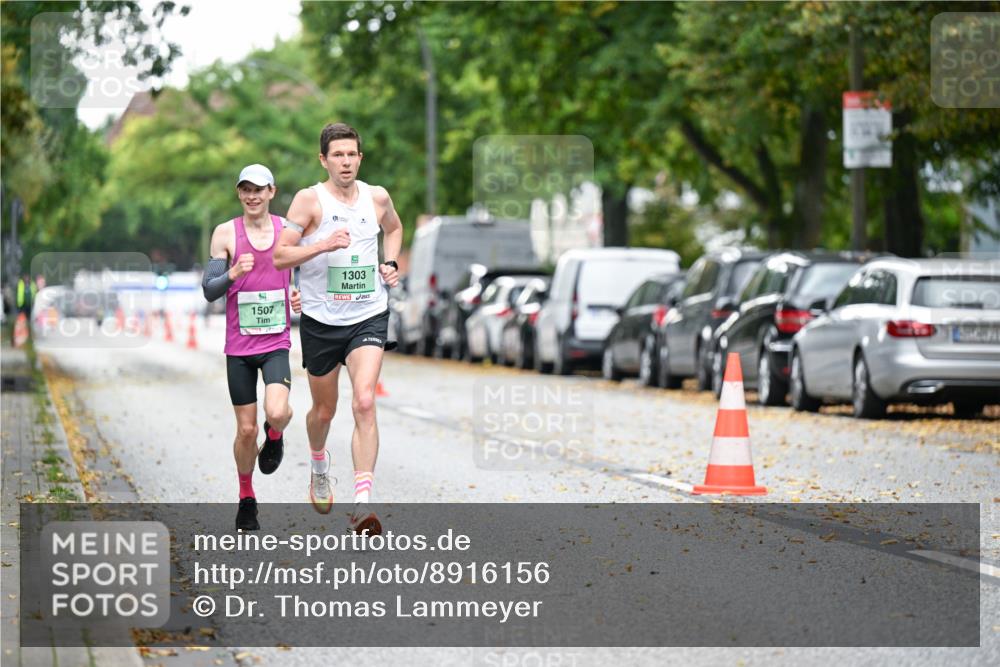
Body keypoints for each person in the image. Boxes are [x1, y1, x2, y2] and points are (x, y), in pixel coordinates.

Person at [274, 123, 401, 535]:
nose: (345, 162)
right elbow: (281, 256)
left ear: (360, 158)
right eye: (337, 155)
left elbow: (394, 229)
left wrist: (392, 264)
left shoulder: (376, 197)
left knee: (364, 401)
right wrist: (323, 244)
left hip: (368, 313)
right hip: (321, 320)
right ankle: (317, 460)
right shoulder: (309, 201)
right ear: (324, 159)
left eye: (352, 155)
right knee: (324, 410)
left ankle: (362, 504)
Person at [202, 164, 301, 531]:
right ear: (239, 193)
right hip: (239, 348)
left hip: (276, 342)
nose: (252, 196)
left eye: (259, 189)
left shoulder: (287, 232)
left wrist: (297, 293)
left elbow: (301, 269)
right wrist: (232, 274)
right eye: (246, 189)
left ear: (272, 192)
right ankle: (246, 497)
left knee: (276, 411)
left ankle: (275, 435)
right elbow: (209, 288)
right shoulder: (226, 233)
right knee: (246, 431)